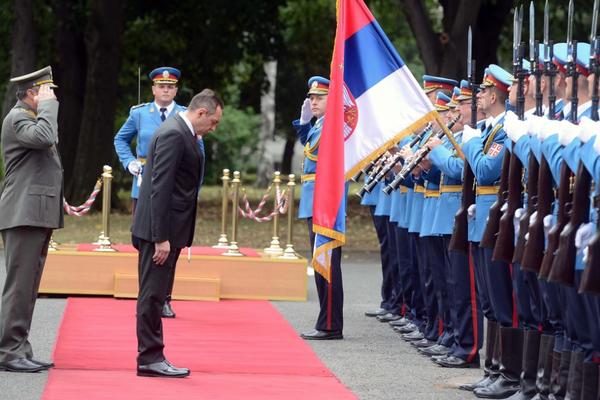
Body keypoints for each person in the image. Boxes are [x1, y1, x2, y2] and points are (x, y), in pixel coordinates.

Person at [131, 89, 223, 378]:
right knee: (152, 295)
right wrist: (160, 237)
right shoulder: (174, 134)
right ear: (201, 113)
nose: (213, 129)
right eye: (214, 122)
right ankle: (149, 357)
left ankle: (153, 355)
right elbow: (160, 188)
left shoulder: (180, 131)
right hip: (160, 231)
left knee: (156, 294)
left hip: (166, 228)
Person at [0, 66, 63, 372]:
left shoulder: (33, 118)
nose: (52, 98)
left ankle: (19, 348)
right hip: (22, 213)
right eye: (46, 92)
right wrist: (49, 107)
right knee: (19, 287)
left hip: (35, 213)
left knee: (29, 287)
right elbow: (45, 136)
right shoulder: (18, 118)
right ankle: (8, 352)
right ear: (31, 93)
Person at [114, 67, 190, 319]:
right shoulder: (139, 114)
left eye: (170, 86)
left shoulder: (184, 114)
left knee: (173, 243)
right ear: (153, 89)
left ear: (176, 89)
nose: (166, 90)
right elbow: (120, 139)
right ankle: (147, 294)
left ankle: (165, 297)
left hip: (175, 187)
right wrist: (129, 162)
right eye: (161, 85)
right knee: (145, 241)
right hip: (144, 184)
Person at [293, 76, 344, 341]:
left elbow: (319, 156)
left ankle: (331, 324)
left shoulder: (332, 126)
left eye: (319, 98)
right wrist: (304, 125)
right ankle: (326, 321)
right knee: (320, 261)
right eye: (311, 98)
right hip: (314, 200)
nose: (313, 102)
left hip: (325, 200)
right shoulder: (320, 125)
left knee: (328, 264)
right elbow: (311, 148)